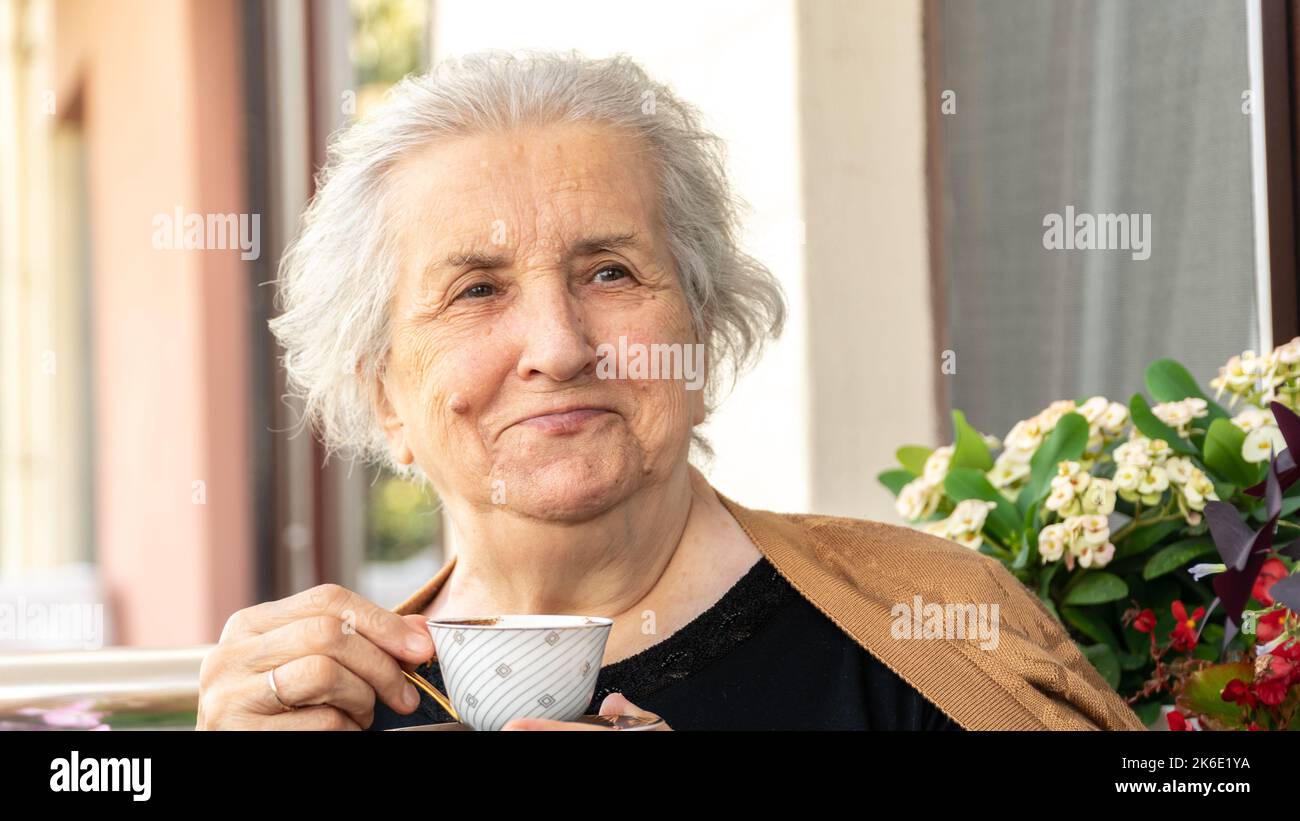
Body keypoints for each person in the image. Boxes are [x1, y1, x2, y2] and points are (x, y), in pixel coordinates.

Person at [196, 49, 1146, 731]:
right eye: (476, 290)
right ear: (383, 396)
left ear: (702, 321)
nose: (559, 347)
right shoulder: (327, 704)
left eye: (609, 272)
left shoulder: (935, 633)